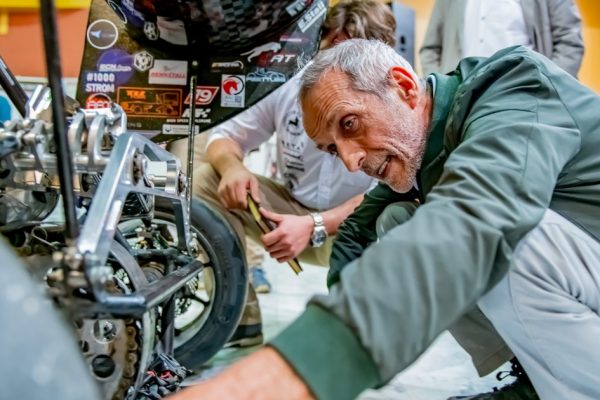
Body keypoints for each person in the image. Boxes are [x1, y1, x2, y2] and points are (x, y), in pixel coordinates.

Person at [170, 39, 600, 400]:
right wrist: (339, 296)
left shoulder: (515, 86)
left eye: (351, 124)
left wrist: (303, 367)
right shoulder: (430, 141)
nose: (352, 160)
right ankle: (535, 377)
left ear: (405, 88)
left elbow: (478, 218)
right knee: (399, 219)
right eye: (333, 149)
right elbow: (358, 229)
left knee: (510, 240)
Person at [192, 0, 396, 347]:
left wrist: (316, 225)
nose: (338, 71)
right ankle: (239, 318)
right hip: (290, 212)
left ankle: (369, 328)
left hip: (363, 225)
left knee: (400, 212)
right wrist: (233, 167)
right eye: (332, 51)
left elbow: (397, 190)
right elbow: (224, 138)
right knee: (206, 181)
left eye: (353, 60)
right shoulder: (291, 83)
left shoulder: (395, 99)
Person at [419, 0, 584, 77]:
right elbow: (431, 49)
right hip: (459, 100)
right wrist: (442, 88)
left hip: (527, 95)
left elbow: (569, 43)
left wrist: (549, 86)